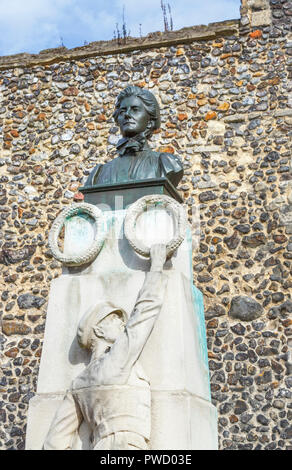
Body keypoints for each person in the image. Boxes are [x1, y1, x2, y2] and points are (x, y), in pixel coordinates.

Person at [43, 244, 169, 450]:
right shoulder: (115, 361)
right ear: (99, 331)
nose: (122, 324)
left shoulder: (78, 383)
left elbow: (54, 442)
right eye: (115, 320)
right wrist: (156, 267)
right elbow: (144, 314)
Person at [84, 86, 183, 188]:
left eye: (135, 110)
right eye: (122, 111)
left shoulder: (167, 164)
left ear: (150, 121)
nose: (127, 114)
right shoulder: (99, 173)